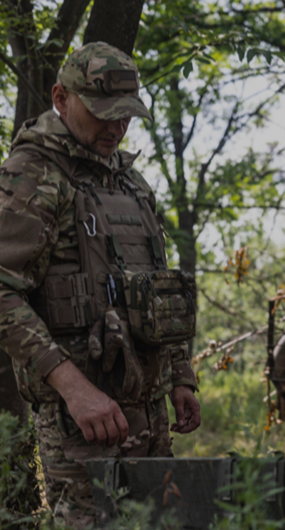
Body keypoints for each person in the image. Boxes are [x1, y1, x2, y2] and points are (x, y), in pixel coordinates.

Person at [0, 42, 201, 528]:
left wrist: (180, 374)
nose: (115, 128)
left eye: (126, 116)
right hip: (83, 427)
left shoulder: (130, 183)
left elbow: (155, 290)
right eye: (102, 113)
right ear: (60, 98)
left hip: (149, 418)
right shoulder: (35, 173)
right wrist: (74, 389)